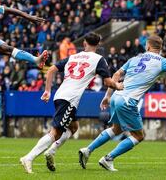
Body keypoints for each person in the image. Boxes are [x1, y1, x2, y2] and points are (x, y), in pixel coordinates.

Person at [78, 35, 166, 172]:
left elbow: (115, 76)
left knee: (117, 129)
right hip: (127, 101)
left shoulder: (134, 59)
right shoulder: (164, 61)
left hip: (116, 96)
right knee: (139, 135)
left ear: (148, 46)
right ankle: (108, 158)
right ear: (160, 48)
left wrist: (107, 96)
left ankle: (87, 150)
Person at [20, 33, 124, 174]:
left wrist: (47, 91)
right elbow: (107, 82)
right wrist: (117, 86)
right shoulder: (99, 59)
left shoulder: (73, 57)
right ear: (98, 45)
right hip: (70, 98)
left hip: (60, 95)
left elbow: (51, 70)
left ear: (85, 43)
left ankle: (51, 151)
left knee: (73, 127)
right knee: (55, 132)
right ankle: (28, 158)